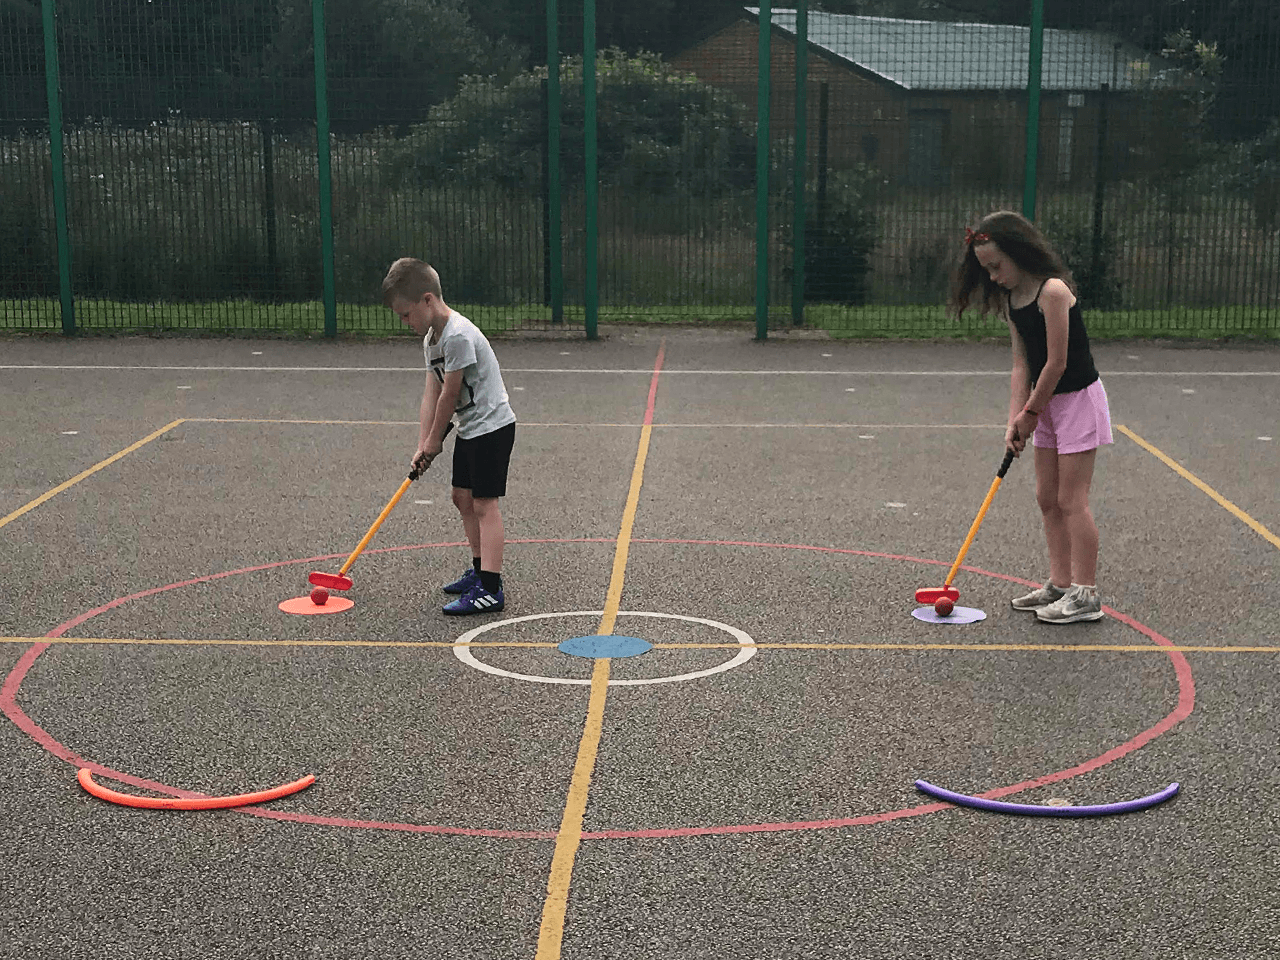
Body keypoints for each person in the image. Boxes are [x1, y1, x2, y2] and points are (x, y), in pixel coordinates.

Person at [949, 211, 1112, 623]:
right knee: (1046, 497)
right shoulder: (1011, 299)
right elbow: (1021, 364)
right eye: (985, 269)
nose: (992, 276)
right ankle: (1059, 583)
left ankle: (1086, 593)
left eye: (996, 266)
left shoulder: (1052, 292)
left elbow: (1056, 364)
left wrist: (1031, 412)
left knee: (1071, 499)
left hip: (1076, 401)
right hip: (1044, 405)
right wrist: (1015, 418)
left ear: (1019, 254)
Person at [382, 258, 517, 615]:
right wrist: (422, 442)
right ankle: (478, 570)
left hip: (493, 426)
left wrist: (435, 442)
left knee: (485, 504)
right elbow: (431, 393)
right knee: (461, 496)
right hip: (472, 427)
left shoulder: (457, 335)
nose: (405, 323)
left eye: (407, 314)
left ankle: (491, 588)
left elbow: (449, 394)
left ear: (428, 300)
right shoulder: (432, 339)